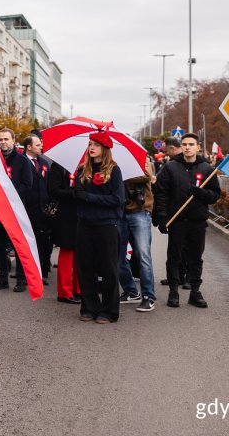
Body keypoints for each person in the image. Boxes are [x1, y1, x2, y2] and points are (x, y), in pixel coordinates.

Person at [155, 132, 221, 309]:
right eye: (184, 144)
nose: (187, 147)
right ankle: (173, 291)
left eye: (191, 144)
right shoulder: (171, 167)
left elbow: (215, 195)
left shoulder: (207, 169)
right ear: (181, 146)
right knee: (174, 257)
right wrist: (162, 216)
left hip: (197, 221)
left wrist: (202, 194)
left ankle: (195, 292)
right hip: (177, 220)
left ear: (198, 147)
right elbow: (161, 193)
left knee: (195, 257)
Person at [74, 131, 124, 324]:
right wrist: (78, 194)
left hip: (107, 226)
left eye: (95, 144)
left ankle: (109, 311)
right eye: (89, 144)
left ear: (104, 148)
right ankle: (89, 307)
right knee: (85, 268)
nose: (91, 148)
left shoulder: (114, 170)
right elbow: (78, 195)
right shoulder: (82, 170)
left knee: (109, 269)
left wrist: (89, 197)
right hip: (85, 224)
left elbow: (117, 199)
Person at [0, 128, 33, 291]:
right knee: (0, 247)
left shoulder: (22, 160)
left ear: (14, 140)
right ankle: (3, 279)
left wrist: (11, 198)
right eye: (0, 139)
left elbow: (27, 185)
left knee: (18, 246)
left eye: (6, 139)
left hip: (16, 210)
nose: (3, 142)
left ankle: (21, 280)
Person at [118, 157, 157, 312]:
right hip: (120, 211)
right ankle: (131, 291)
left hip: (140, 212)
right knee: (117, 255)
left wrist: (120, 173)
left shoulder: (141, 157)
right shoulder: (112, 160)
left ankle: (148, 296)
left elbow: (146, 175)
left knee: (142, 255)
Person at [155, 137, 188, 288]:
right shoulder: (170, 165)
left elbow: (161, 188)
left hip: (185, 213)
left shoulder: (176, 165)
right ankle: (178, 277)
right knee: (178, 249)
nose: (165, 152)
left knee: (183, 249)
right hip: (177, 213)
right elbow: (162, 189)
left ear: (172, 148)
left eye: (166, 149)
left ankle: (183, 278)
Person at [18, 135, 50, 291]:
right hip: (26, 209)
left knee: (41, 243)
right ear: (29, 147)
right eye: (38, 144)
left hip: (42, 210)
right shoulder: (21, 162)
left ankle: (41, 273)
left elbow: (48, 184)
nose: (41, 146)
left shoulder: (43, 163)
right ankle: (23, 276)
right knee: (25, 244)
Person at [47, 162, 80, 304]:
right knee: (67, 252)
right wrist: (74, 193)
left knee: (81, 254)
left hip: (83, 214)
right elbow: (53, 190)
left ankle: (78, 289)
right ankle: (64, 292)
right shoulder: (59, 165)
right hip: (66, 215)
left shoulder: (89, 164)